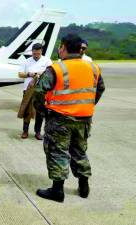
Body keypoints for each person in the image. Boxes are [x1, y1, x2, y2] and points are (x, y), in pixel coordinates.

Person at [33, 34, 105, 202]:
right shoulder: (94, 67)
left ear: (64, 47)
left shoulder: (57, 68)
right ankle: (84, 187)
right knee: (79, 152)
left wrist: (43, 111)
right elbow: (100, 88)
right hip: (84, 119)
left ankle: (57, 191)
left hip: (59, 119)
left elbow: (39, 92)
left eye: (60, 46)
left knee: (57, 152)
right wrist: (88, 105)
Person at [18, 43, 52, 140]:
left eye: (38, 53)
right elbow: (20, 74)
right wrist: (29, 74)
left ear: (41, 51)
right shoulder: (26, 61)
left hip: (41, 90)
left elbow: (50, 73)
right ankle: (25, 131)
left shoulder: (47, 61)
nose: (36, 55)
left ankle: (37, 132)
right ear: (32, 52)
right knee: (27, 111)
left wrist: (41, 73)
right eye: (34, 53)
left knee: (40, 113)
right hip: (28, 90)